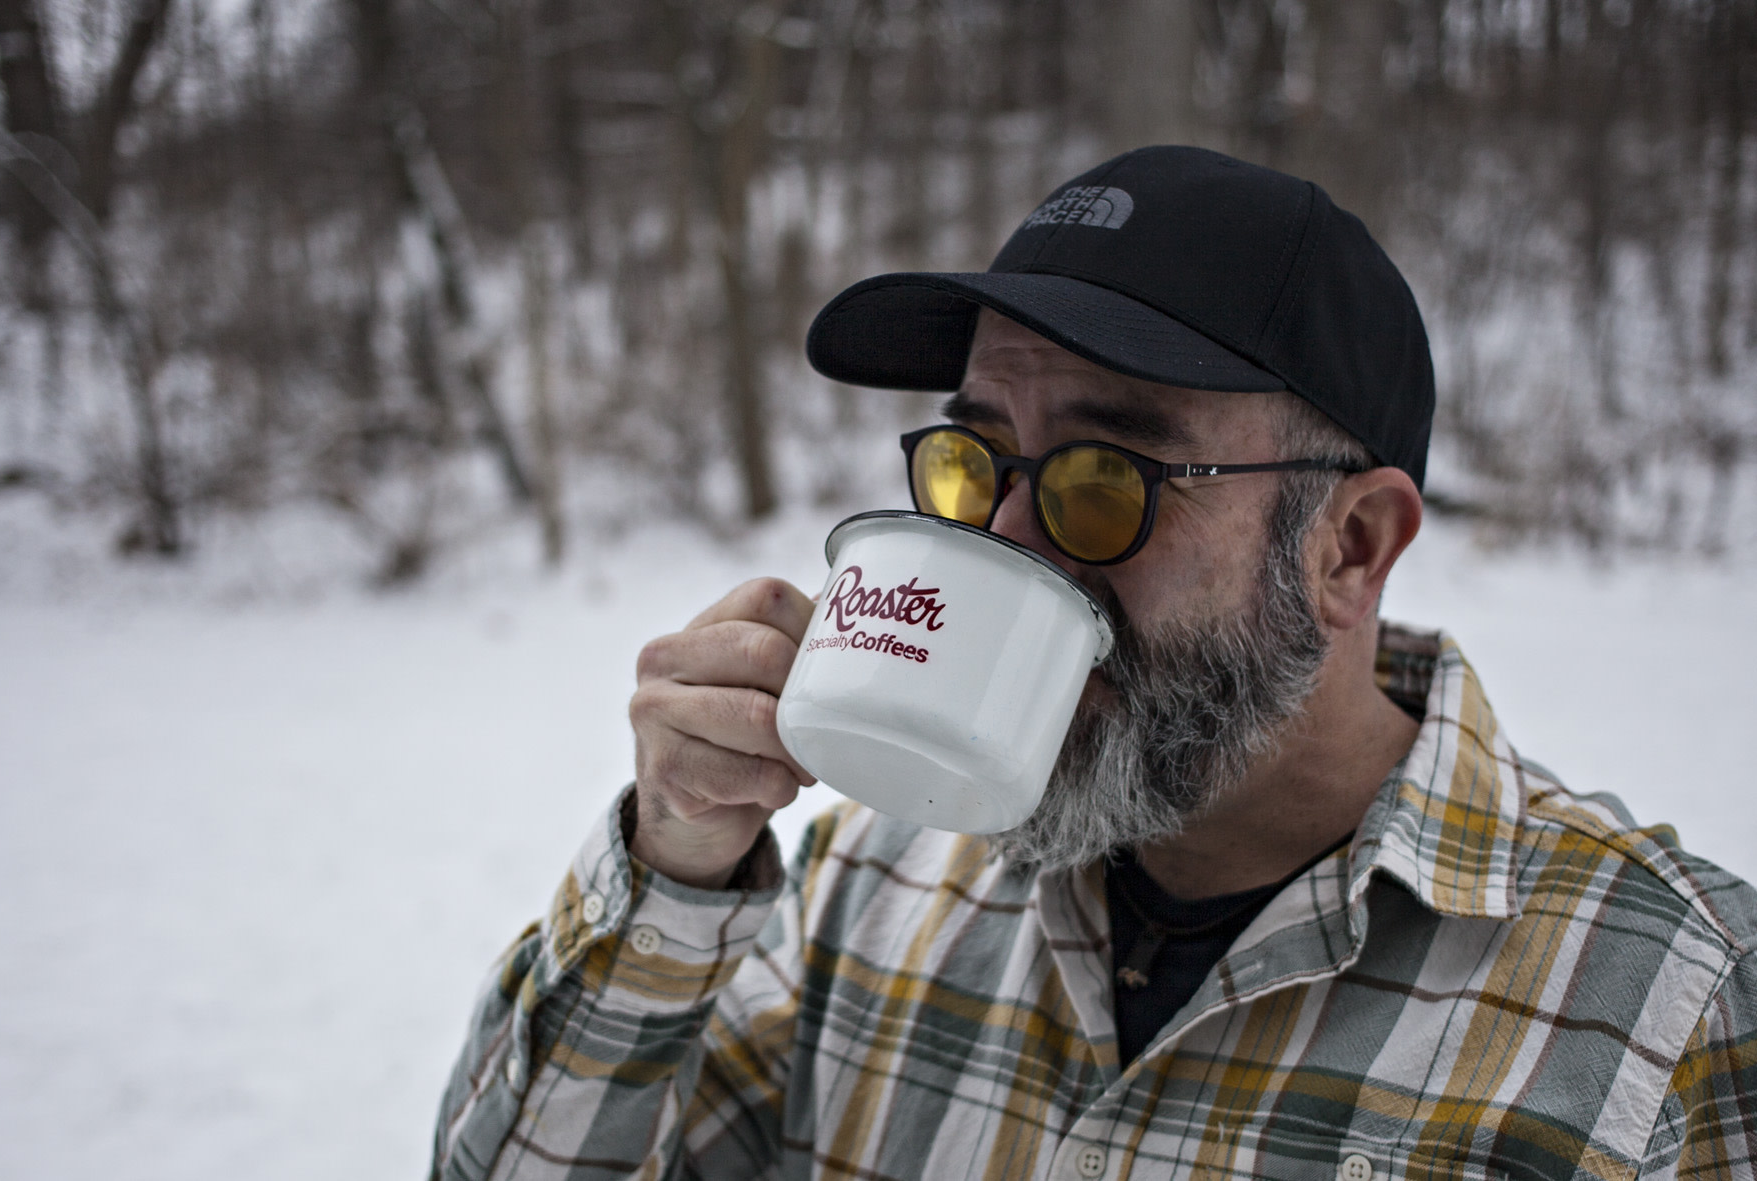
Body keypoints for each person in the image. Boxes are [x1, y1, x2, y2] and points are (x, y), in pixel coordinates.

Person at [429, 147, 1757, 1181]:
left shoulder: (1667, 1011)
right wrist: (675, 866)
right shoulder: (867, 889)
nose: (1004, 544)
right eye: (973, 462)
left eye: (1103, 480)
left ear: (1350, 545)